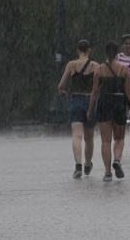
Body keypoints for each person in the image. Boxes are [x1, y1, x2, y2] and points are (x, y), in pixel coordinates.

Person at [87, 41, 130, 182]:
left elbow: (95, 92)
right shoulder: (124, 69)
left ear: (105, 52)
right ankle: (117, 159)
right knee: (120, 138)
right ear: (117, 53)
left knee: (105, 140)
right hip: (119, 102)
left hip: (104, 103)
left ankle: (108, 172)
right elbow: (129, 91)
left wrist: (90, 109)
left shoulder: (99, 70)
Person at [57, 40, 99, 178]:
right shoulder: (95, 66)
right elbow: (99, 87)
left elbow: (61, 85)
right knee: (89, 138)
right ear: (89, 50)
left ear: (77, 50)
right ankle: (88, 164)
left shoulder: (71, 65)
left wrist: (62, 93)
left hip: (76, 101)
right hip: (90, 101)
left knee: (76, 135)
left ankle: (78, 166)